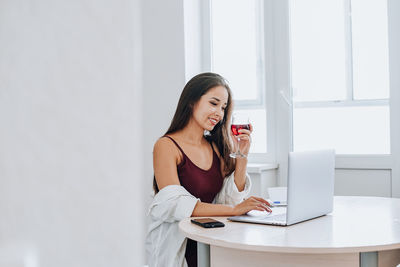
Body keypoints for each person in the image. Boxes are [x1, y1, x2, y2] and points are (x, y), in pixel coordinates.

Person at [145, 72, 271, 267]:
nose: (219, 113)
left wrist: (243, 155)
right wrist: (234, 210)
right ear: (191, 101)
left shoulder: (214, 146)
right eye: (213, 103)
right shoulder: (166, 146)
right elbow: (174, 204)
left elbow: (229, 198)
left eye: (223, 107)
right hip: (179, 246)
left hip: (210, 241)